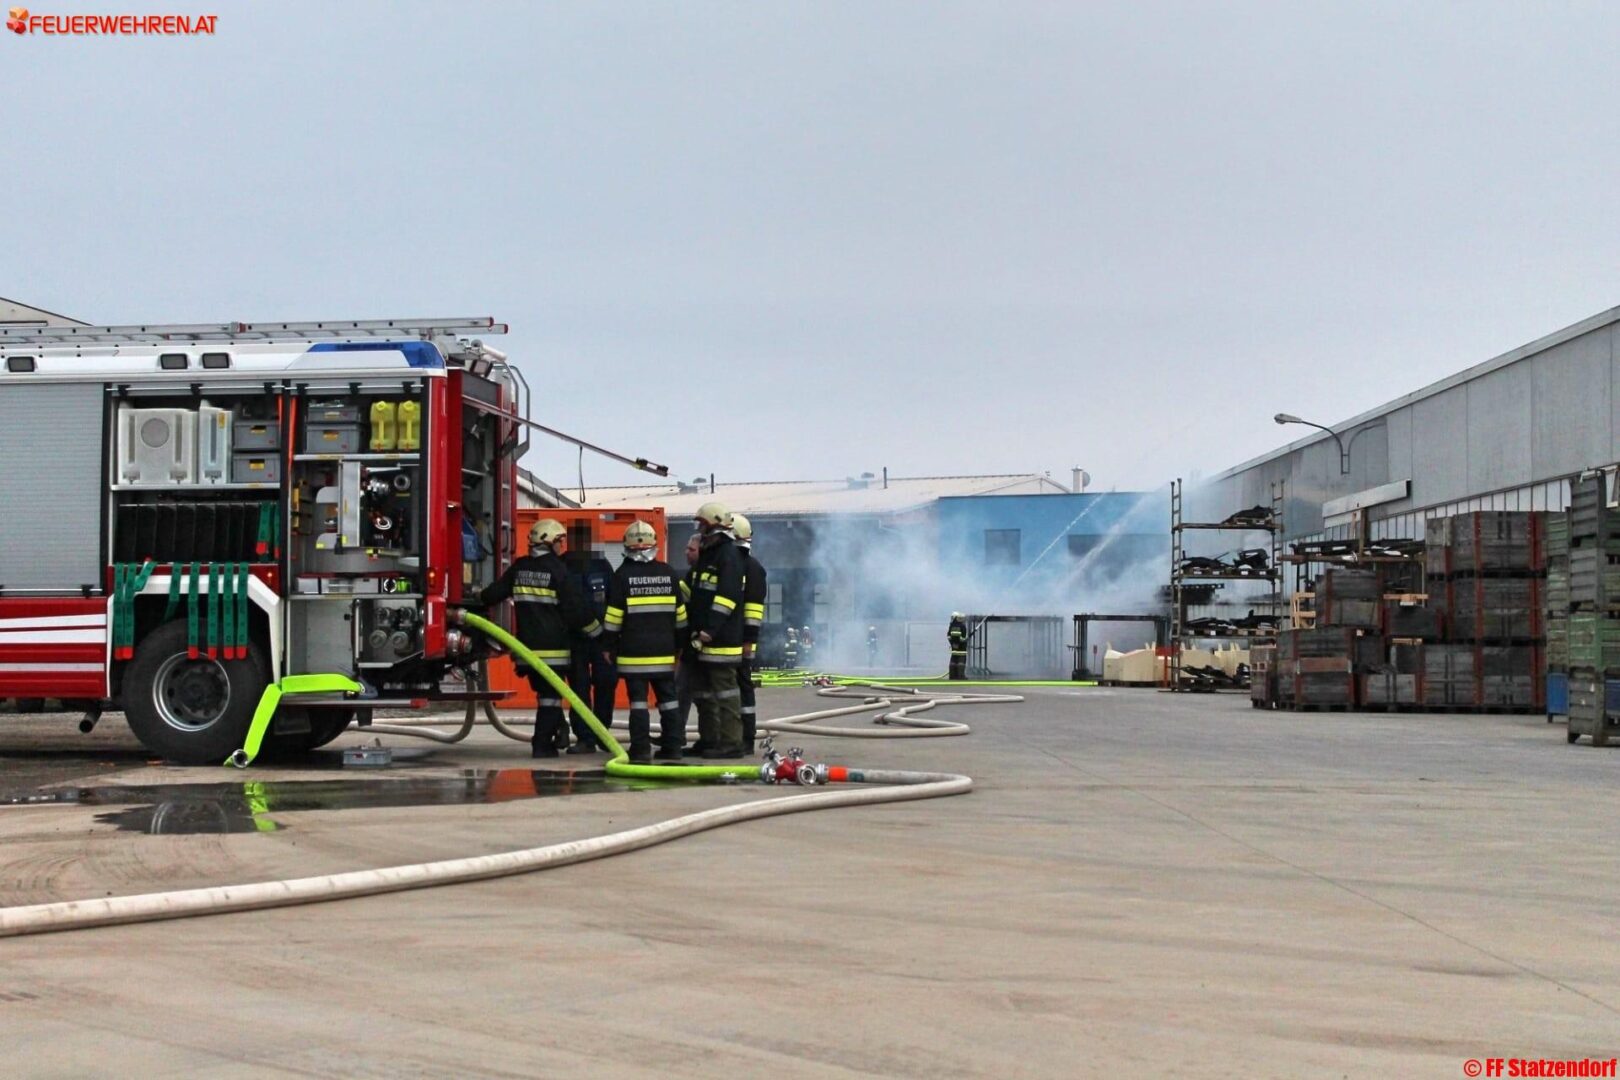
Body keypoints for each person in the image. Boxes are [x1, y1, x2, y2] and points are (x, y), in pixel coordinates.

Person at [479, 519, 603, 757]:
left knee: (545, 696)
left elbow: (491, 595)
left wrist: (475, 596)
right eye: (560, 541)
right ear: (551, 542)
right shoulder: (558, 570)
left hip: (526, 652)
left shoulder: (519, 567)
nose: (562, 546)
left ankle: (558, 733)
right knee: (551, 699)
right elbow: (575, 611)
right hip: (555, 650)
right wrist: (598, 634)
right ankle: (542, 744)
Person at [604, 520, 685, 763]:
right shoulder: (669, 573)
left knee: (638, 704)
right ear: (654, 544)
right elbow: (681, 617)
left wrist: (608, 646)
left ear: (626, 545)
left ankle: (639, 750)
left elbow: (613, 618)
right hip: (663, 652)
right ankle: (673, 748)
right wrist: (680, 648)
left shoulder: (622, 576)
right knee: (669, 701)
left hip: (632, 654)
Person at [686, 501, 747, 758]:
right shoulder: (709, 556)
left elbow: (726, 598)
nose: (699, 530)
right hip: (701, 637)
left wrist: (709, 630)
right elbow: (696, 593)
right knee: (703, 693)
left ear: (714, 527)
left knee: (725, 691)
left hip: (720, 639)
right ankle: (709, 740)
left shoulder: (728, 556)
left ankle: (731, 743)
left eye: (702, 525)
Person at [566, 544, 618, 754]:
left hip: (602, 639)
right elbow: (570, 604)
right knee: (579, 688)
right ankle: (584, 738)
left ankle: (603, 734)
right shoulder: (565, 564)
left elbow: (614, 598)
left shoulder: (601, 564)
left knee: (606, 684)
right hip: (574, 638)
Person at [733, 512, 767, 753]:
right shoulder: (732, 564)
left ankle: (747, 738)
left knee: (743, 688)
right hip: (731, 639)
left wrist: (749, 641)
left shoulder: (751, 568)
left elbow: (754, 610)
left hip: (743, 641)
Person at [948, 612, 969, 680]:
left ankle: (952, 676)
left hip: (954, 648)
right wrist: (966, 639)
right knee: (961, 662)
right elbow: (962, 638)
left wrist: (953, 644)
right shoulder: (962, 626)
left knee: (953, 661)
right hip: (961, 648)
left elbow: (949, 636)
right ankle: (960, 676)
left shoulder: (951, 626)